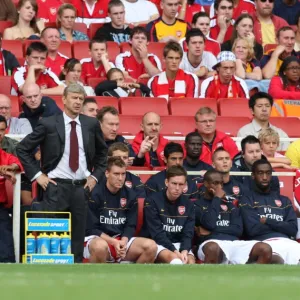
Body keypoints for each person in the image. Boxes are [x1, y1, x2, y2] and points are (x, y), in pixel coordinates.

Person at [16, 83, 108, 263]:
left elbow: (103, 153)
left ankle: (74, 281)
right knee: (51, 237)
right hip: (54, 187)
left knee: (77, 239)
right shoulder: (48, 123)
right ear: (64, 99)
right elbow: (22, 149)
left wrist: (95, 177)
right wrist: (37, 175)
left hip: (81, 188)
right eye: (74, 98)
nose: (78, 102)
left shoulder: (91, 124)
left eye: (81, 99)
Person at [84, 157, 157, 263]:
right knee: (100, 247)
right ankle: (99, 278)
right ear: (107, 173)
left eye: (123, 174)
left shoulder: (131, 195)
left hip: (120, 240)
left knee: (151, 246)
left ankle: (133, 278)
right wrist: (112, 242)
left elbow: (130, 225)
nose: (120, 178)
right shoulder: (95, 194)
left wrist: (123, 241)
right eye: (116, 174)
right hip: (99, 239)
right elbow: (91, 229)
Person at [194, 169, 272, 264]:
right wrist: (217, 198)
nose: (219, 187)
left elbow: (238, 230)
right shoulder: (197, 205)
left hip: (233, 243)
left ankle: (251, 277)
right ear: (206, 184)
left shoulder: (230, 205)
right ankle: (211, 278)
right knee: (212, 248)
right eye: (215, 183)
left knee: (265, 248)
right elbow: (210, 223)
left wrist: (212, 231)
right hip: (210, 242)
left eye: (221, 183)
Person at [240, 159, 300, 265]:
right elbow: (252, 229)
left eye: (268, 173)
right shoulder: (247, 199)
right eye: (260, 173)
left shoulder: (284, 200)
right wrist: (282, 225)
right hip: (265, 243)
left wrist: (267, 221)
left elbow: (292, 229)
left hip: (289, 243)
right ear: (253, 175)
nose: (264, 177)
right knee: (276, 261)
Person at [142, 165, 195, 264]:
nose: (177, 188)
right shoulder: (152, 200)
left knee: (190, 261)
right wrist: (174, 250)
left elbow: (188, 233)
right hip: (158, 244)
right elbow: (157, 233)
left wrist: (184, 250)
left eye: (181, 184)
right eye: (174, 183)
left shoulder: (189, 204)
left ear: (185, 185)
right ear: (166, 182)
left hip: (179, 244)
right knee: (175, 260)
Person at [0, 134, 23, 263]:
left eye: (2, 130)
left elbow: (18, 164)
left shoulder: (4, 155)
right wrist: (3, 171)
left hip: (0, 208)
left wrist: (12, 168)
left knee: (7, 254)